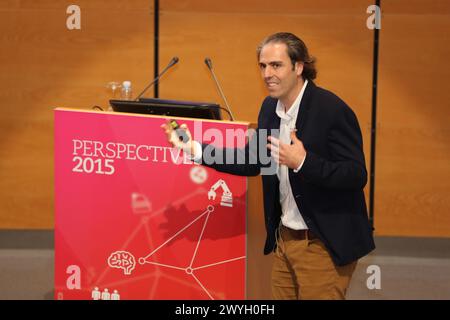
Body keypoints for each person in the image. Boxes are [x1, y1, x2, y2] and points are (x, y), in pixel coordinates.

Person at [161, 32, 375, 300]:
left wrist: (304, 162)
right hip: (284, 240)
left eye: (276, 65)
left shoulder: (331, 110)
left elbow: (356, 175)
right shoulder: (269, 108)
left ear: (298, 67)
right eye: (263, 66)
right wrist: (194, 148)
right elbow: (253, 160)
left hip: (323, 243)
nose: (267, 73)